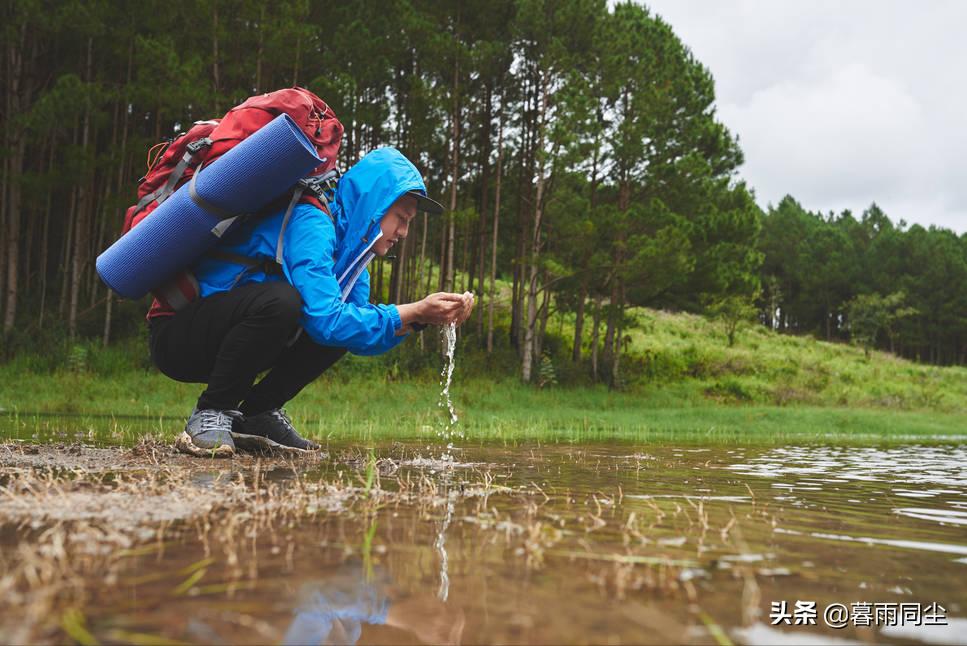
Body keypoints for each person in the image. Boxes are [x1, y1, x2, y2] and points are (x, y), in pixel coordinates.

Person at [147, 147, 474, 455]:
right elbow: (324, 320)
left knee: (348, 322)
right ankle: (211, 411)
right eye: (401, 218)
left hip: (230, 338)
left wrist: (418, 319)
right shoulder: (312, 221)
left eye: (409, 223)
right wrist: (411, 310)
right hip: (180, 335)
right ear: (375, 205)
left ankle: (256, 413)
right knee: (284, 303)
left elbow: (353, 335)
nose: (403, 232)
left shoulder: (353, 256)